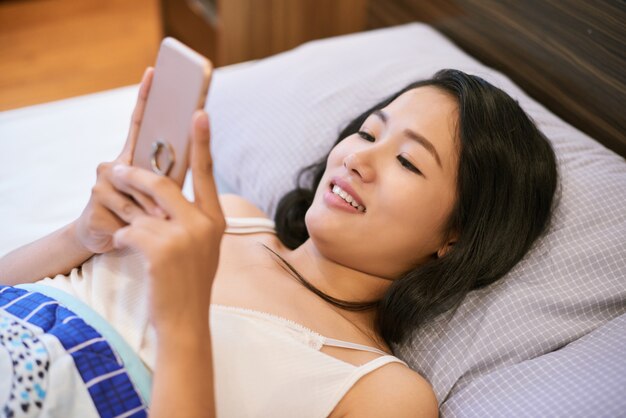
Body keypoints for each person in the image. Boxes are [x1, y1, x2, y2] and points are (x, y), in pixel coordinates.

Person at [0, 68, 558, 417]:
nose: (356, 157)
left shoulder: (384, 394)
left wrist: (184, 317)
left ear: (456, 238)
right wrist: (81, 235)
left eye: (408, 161)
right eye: (367, 131)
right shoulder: (232, 220)